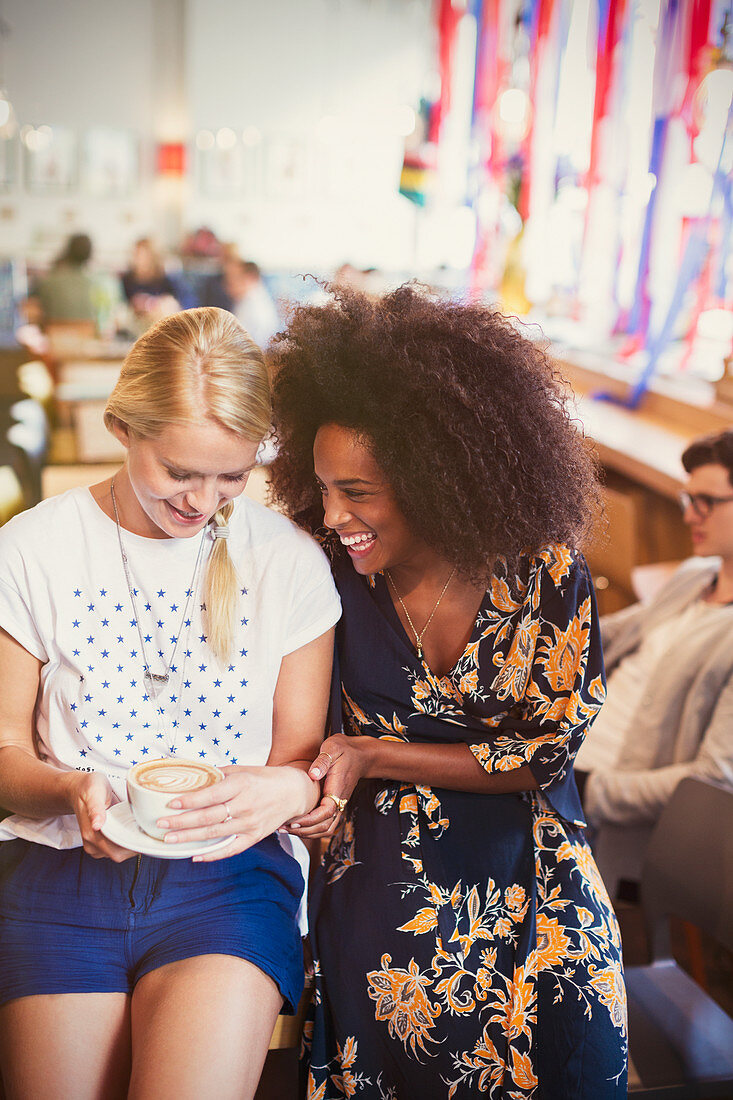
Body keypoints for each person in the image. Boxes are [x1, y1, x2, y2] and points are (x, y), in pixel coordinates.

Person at [269, 286, 627, 1099]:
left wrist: (373, 752)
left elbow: (541, 755)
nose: (332, 515)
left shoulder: (543, 570)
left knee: (567, 1030)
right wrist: (319, 786)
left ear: (438, 473)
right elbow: (302, 735)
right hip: (382, 873)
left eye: (356, 491)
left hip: (532, 859)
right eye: (322, 487)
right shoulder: (325, 576)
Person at [0, 307, 341, 1099]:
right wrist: (73, 791)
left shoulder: (286, 560)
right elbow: (5, 758)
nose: (204, 502)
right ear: (123, 429)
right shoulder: (32, 549)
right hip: (61, 872)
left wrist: (294, 788)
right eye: (179, 472)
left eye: (232, 477)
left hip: (229, 879)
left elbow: (298, 756)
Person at [575, 429, 733, 847]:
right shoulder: (695, 576)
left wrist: (588, 788)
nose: (689, 515)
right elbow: (607, 632)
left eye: (708, 502)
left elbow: (713, 778)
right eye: (688, 499)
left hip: (598, 806)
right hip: (562, 744)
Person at [28, 233, 99, 326]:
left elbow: (32, 309)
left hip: (53, 335)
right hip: (86, 336)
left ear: (68, 250)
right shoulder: (93, 283)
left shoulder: (49, 280)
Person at [224, 260, 280, 350]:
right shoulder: (250, 298)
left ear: (250, 278)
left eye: (233, 278)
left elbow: (236, 343)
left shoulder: (254, 306)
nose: (227, 285)